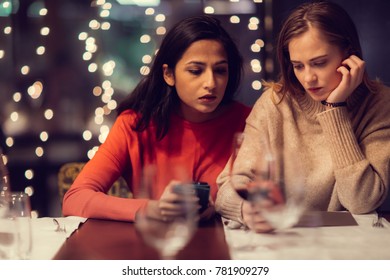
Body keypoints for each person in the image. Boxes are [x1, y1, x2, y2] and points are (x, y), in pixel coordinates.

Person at [215, 0, 390, 232]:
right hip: (280, 241)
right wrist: (245, 210)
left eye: (319, 63)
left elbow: (362, 200)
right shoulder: (274, 103)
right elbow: (229, 186)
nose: (308, 79)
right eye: (298, 66)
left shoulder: (380, 103)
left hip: (345, 249)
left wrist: (335, 109)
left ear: (349, 54)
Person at [62, 15, 251, 222]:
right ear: (168, 74)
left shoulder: (248, 122)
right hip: (155, 246)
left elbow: (265, 197)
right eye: (196, 71)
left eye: (220, 70)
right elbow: (75, 199)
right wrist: (153, 209)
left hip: (226, 248)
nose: (210, 82)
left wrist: (220, 209)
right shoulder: (135, 125)